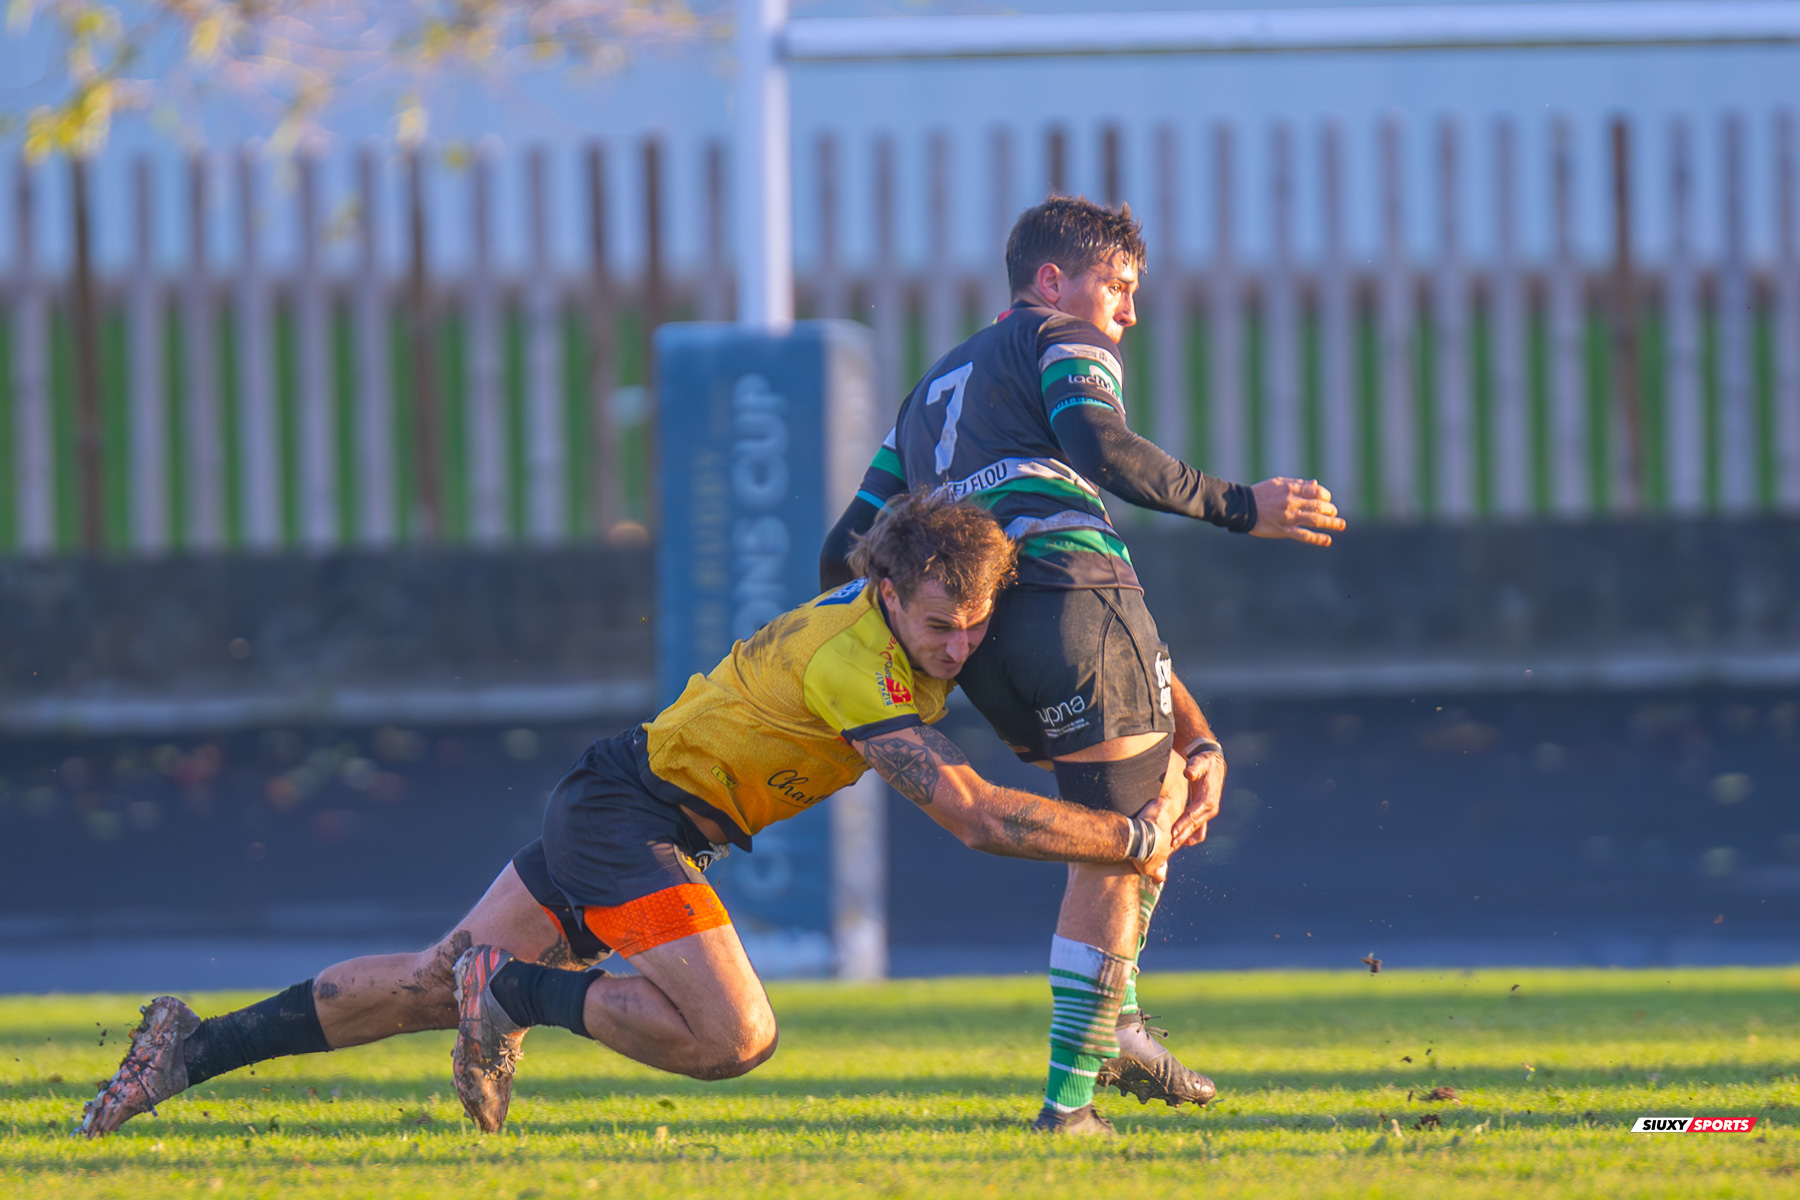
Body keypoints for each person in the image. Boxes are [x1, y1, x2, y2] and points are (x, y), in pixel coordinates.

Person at [80, 490, 1187, 1140]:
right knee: (733, 1038)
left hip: (610, 794)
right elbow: (973, 816)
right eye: (941, 623)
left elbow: (1116, 624)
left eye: (975, 623)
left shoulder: (898, 604)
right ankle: (511, 992)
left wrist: (1190, 727)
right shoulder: (858, 659)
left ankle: (186, 1051)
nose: (958, 645)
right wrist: (1134, 837)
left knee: (426, 982)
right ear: (889, 593)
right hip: (634, 818)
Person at [820, 196, 1345, 1134]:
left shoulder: (930, 394)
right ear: (1053, 281)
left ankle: (1123, 1024)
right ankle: (1071, 1107)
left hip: (985, 646)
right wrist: (1239, 505)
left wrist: (892, 639)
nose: (1128, 313)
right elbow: (1099, 447)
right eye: (1120, 285)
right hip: (1077, 599)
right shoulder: (1058, 336)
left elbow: (844, 549)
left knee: (1127, 823)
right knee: (1124, 842)